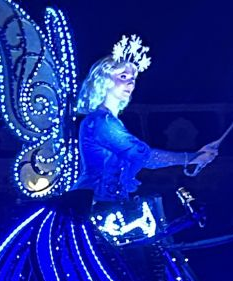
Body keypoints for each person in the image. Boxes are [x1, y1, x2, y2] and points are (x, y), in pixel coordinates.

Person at [73, 43, 217, 202]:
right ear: (105, 80)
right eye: (123, 76)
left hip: (110, 203)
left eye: (132, 78)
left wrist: (196, 155)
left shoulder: (111, 122)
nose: (130, 83)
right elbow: (143, 155)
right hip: (92, 202)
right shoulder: (100, 122)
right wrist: (191, 158)